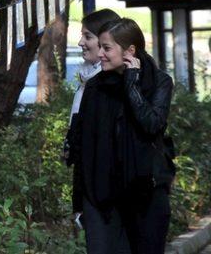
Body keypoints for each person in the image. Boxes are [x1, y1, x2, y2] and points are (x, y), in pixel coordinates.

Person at [73, 18, 176, 254]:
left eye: (106, 48)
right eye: (100, 47)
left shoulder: (158, 82)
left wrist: (131, 83)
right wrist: (78, 202)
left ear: (130, 51)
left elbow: (151, 124)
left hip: (145, 194)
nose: (100, 54)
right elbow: (83, 146)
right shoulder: (95, 87)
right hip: (102, 195)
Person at [64, 9, 129, 253]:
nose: (81, 42)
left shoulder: (110, 86)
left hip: (109, 194)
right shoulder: (88, 82)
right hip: (93, 191)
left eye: (87, 36)